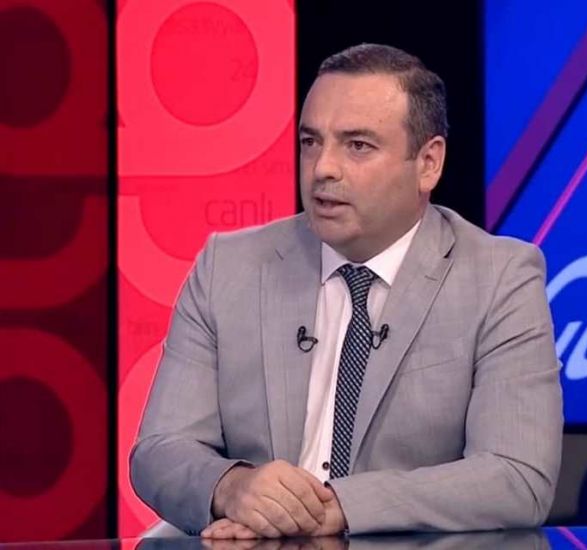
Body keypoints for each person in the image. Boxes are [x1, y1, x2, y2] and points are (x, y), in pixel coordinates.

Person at [130, 44, 563, 539]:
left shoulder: (499, 278)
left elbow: (516, 476)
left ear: (428, 163)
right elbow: (158, 452)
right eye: (310, 142)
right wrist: (231, 487)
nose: (323, 168)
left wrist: (337, 506)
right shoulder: (228, 267)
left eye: (357, 145)